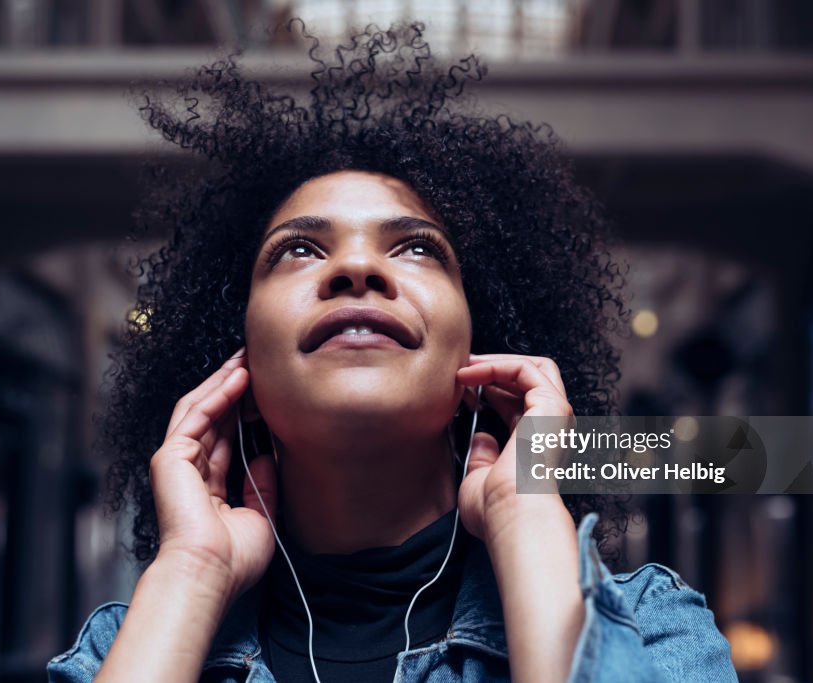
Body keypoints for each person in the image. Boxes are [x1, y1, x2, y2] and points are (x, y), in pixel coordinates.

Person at [47, 22, 737, 683]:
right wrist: (191, 570)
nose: (356, 270)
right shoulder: (129, 646)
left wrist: (526, 513)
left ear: (483, 351)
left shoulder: (653, 626)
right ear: (238, 361)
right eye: (298, 249)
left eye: (415, 248)